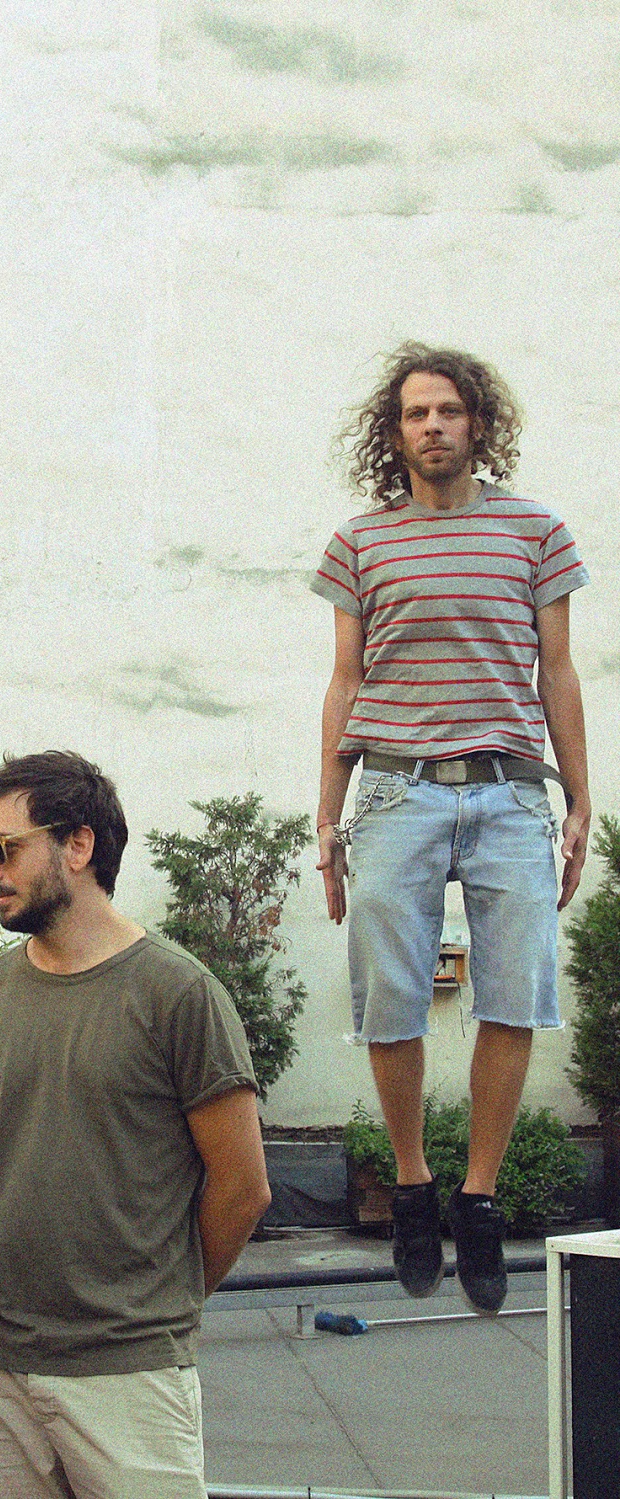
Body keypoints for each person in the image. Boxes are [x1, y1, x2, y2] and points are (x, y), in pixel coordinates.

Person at [313, 343, 590, 1313]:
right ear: (393, 434)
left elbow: (559, 672)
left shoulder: (536, 532)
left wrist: (580, 801)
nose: (431, 426)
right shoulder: (361, 542)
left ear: (477, 421)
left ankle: (478, 1194)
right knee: (389, 996)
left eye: (447, 410)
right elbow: (345, 681)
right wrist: (327, 812)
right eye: (414, 413)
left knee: (515, 993)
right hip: (396, 791)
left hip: (512, 793)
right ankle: (411, 1182)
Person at [0, 751, 271, 1499]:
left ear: (78, 845)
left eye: (4, 848)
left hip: (129, 1372)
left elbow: (243, 1188)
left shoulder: (179, 993)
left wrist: (154, 1305)